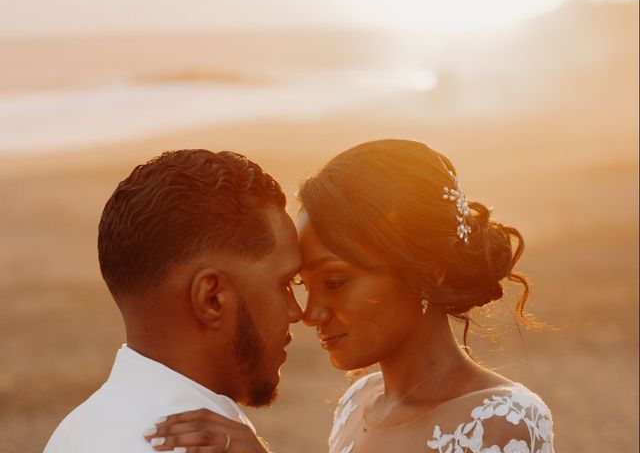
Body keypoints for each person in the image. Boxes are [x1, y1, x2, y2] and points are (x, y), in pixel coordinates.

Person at [145, 139, 554, 453]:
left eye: (336, 281)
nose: (310, 314)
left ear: (429, 271)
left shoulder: (503, 420)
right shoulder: (359, 402)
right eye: (304, 284)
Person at [44, 149, 302, 453]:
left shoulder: (75, 431)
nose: (297, 311)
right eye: (285, 283)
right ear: (212, 299)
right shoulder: (197, 446)